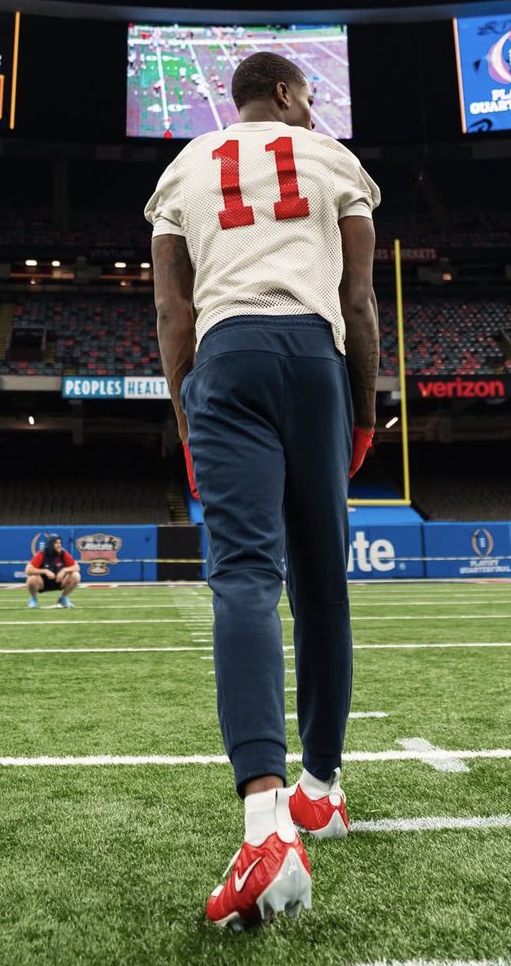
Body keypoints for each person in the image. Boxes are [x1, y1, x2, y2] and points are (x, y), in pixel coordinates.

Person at [146, 50, 379, 929]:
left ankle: (264, 822)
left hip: (228, 357)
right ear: (285, 93)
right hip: (315, 359)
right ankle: (321, 788)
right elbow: (358, 300)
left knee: (245, 579)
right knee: (324, 585)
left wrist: (187, 413)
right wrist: (362, 413)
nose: (314, 108)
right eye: (308, 96)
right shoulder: (331, 160)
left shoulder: (180, 167)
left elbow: (173, 313)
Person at [25, 534, 80, 610]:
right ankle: (33, 599)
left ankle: (63, 598)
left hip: (59, 581)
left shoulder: (63, 553)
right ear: (50, 544)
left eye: (60, 543)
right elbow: (28, 570)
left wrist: (64, 570)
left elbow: (76, 567)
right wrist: (45, 571)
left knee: (75, 575)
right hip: (43, 583)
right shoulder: (42, 554)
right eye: (56, 543)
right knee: (31, 579)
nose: (59, 545)